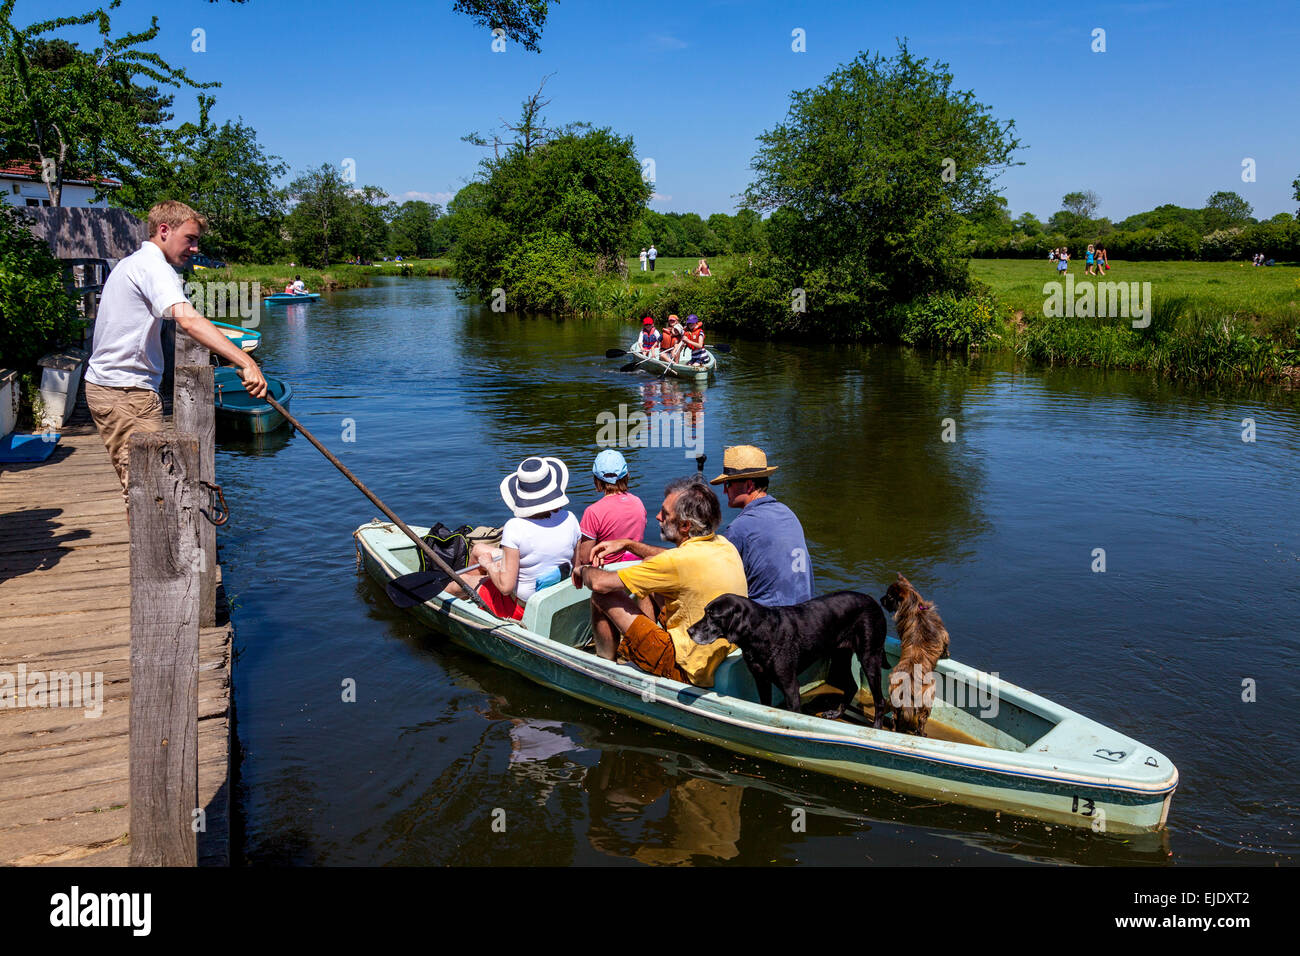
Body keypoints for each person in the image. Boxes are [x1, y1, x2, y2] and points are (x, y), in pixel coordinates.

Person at [85, 200, 267, 506]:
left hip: (116, 389)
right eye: (190, 239)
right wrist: (246, 361)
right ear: (164, 230)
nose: (195, 248)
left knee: (148, 486)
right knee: (149, 493)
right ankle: (151, 555)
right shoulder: (154, 267)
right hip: (124, 393)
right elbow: (189, 319)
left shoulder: (133, 263)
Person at [577, 477, 747, 687]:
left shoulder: (675, 563)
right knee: (651, 575)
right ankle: (639, 653)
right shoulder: (723, 544)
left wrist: (582, 569)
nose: (658, 517)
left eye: (665, 514)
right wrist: (629, 545)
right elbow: (665, 559)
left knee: (601, 596)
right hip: (720, 651)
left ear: (685, 525)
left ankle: (605, 666)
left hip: (686, 668)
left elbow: (601, 583)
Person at [444, 456, 581, 619]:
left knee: (459, 580)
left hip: (518, 606)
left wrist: (489, 566)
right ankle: (477, 600)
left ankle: (473, 597)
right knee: (479, 549)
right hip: (554, 596)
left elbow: (505, 587)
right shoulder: (570, 518)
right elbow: (576, 568)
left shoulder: (515, 527)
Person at [710, 445, 814, 607]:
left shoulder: (740, 527)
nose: (724, 490)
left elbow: (709, 569)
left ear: (749, 485)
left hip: (771, 622)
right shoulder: (788, 513)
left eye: (728, 483)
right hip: (805, 614)